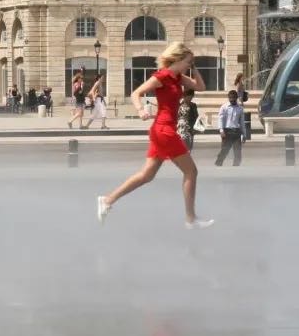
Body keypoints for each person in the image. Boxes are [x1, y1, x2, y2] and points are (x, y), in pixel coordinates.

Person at [97, 42, 214, 230]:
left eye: (191, 63)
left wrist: (194, 68)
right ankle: (191, 219)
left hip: (163, 129)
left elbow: (200, 87)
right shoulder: (162, 76)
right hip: (164, 130)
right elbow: (136, 93)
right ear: (178, 59)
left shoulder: (178, 78)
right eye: (188, 62)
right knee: (191, 171)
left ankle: (107, 200)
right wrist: (140, 109)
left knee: (146, 175)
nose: (189, 66)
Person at [214, 89, 245, 166]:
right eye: (230, 98)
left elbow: (242, 122)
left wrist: (244, 135)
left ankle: (236, 166)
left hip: (236, 132)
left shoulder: (240, 108)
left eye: (234, 98)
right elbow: (220, 119)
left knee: (238, 151)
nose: (232, 99)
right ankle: (218, 164)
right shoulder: (224, 107)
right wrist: (221, 131)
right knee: (225, 150)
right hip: (227, 131)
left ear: (236, 98)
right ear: (228, 98)